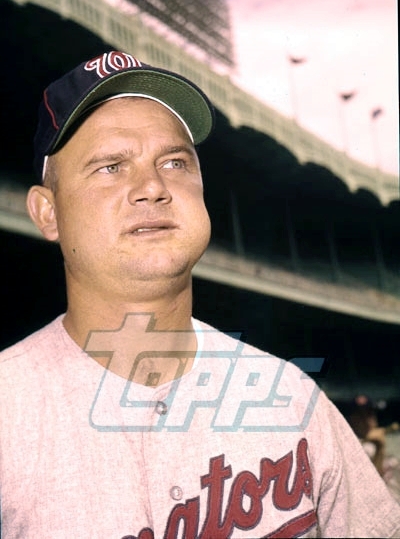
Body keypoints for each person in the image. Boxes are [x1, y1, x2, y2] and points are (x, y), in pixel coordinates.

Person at [0, 50, 399, 538]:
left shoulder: (293, 399)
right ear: (47, 213)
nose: (152, 186)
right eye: (110, 166)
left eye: (174, 162)